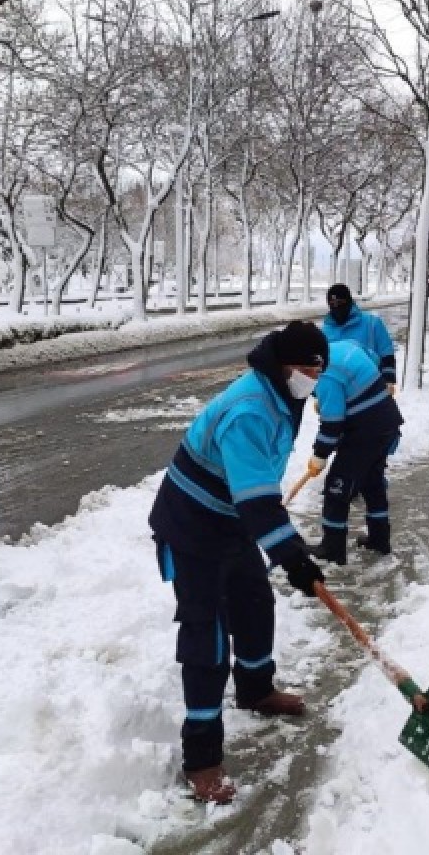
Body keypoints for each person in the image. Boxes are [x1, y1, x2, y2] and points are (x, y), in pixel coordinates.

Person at [148, 321, 330, 805]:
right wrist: (295, 558)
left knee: (253, 601)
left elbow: (255, 496)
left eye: (320, 367)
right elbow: (258, 503)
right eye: (309, 366)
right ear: (285, 364)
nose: (315, 375)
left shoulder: (282, 394)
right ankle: (202, 759)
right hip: (191, 522)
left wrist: (286, 551)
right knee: (205, 636)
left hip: (229, 516)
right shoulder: (251, 408)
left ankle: (254, 689)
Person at [306, 338, 404, 564]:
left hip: (364, 434)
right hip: (387, 421)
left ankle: (332, 549)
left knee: (336, 489)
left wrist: (319, 455)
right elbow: (374, 359)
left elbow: (332, 423)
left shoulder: (325, 374)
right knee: (372, 484)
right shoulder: (344, 345)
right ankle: (380, 540)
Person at [322, 283, 398, 388]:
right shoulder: (326, 331)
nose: (337, 307)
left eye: (340, 302)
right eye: (332, 304)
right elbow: (322, 363)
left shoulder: (372, 323)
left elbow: (386, 353)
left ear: (349, 302)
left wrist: (388, 380)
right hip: (338, 388)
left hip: (371, 385)